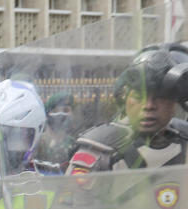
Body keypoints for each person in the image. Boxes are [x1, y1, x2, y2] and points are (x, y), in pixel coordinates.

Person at [67, 44, 188, 174]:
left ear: (175, 103)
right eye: (138, 96)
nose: (148, 106)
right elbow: (72, 193)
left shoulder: (183, 138)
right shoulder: (99, 150)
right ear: (125, 97)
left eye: (160, 98)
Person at [33, 92, 76, 173]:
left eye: (66, 110)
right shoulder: (37, 144)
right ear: (47, 116)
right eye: (55, 111)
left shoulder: (73, 144)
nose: (61, 115)